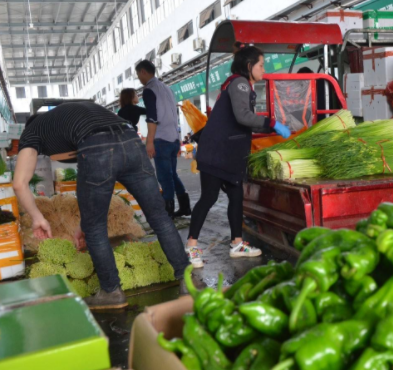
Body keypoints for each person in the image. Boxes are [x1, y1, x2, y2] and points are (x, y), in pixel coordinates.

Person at [13, 102, 203, 310]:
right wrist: (83, 223)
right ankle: (189, 280)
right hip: (130, 140)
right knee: (159, 217)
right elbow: (107, 171)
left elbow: (20, 183)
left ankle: (111, 291)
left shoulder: (32, 131)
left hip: (97, 145)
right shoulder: (68, 114)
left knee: (95, 230)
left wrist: (38, 218)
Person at [188, 43, 291, 259]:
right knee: (209, 197)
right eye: (261, 65)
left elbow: (247, 123)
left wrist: (267, 127)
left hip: (227, 153)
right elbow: (243, 116)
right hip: (217, 153)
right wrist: (272, 123)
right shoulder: (240, 84)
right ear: (249, 65)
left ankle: (237, 243)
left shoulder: (240, 84)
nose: (264, 69)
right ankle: (191, 245)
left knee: (236, 197)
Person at [135, 60, 191, 219]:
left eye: (138, 75)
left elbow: (152, 117)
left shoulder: (149, 90)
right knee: (172, 175)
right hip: (173, 139)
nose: (139, 78)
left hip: (162, 139)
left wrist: (150, 141)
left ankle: (168, 213)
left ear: (143, 72)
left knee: (164, 177)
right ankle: (185, 207)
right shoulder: (167, 89)